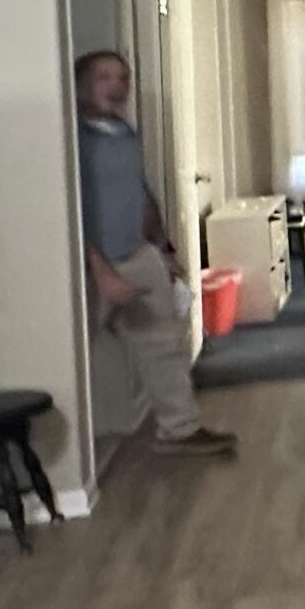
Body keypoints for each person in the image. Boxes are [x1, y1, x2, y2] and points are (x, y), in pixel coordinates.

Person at [74, 50, 237, 457]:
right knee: (76, 351)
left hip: (138, 254)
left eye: (123, 78)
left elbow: (140, 193)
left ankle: (179, 429)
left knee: (164, 345)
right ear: (81, 86)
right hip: (91, 265)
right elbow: (71, 210)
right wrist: (101, 272)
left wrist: (163, 248)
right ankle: (77, 456)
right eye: (105, 77)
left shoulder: (124, 133)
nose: (117, 86)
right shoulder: (73, 139)